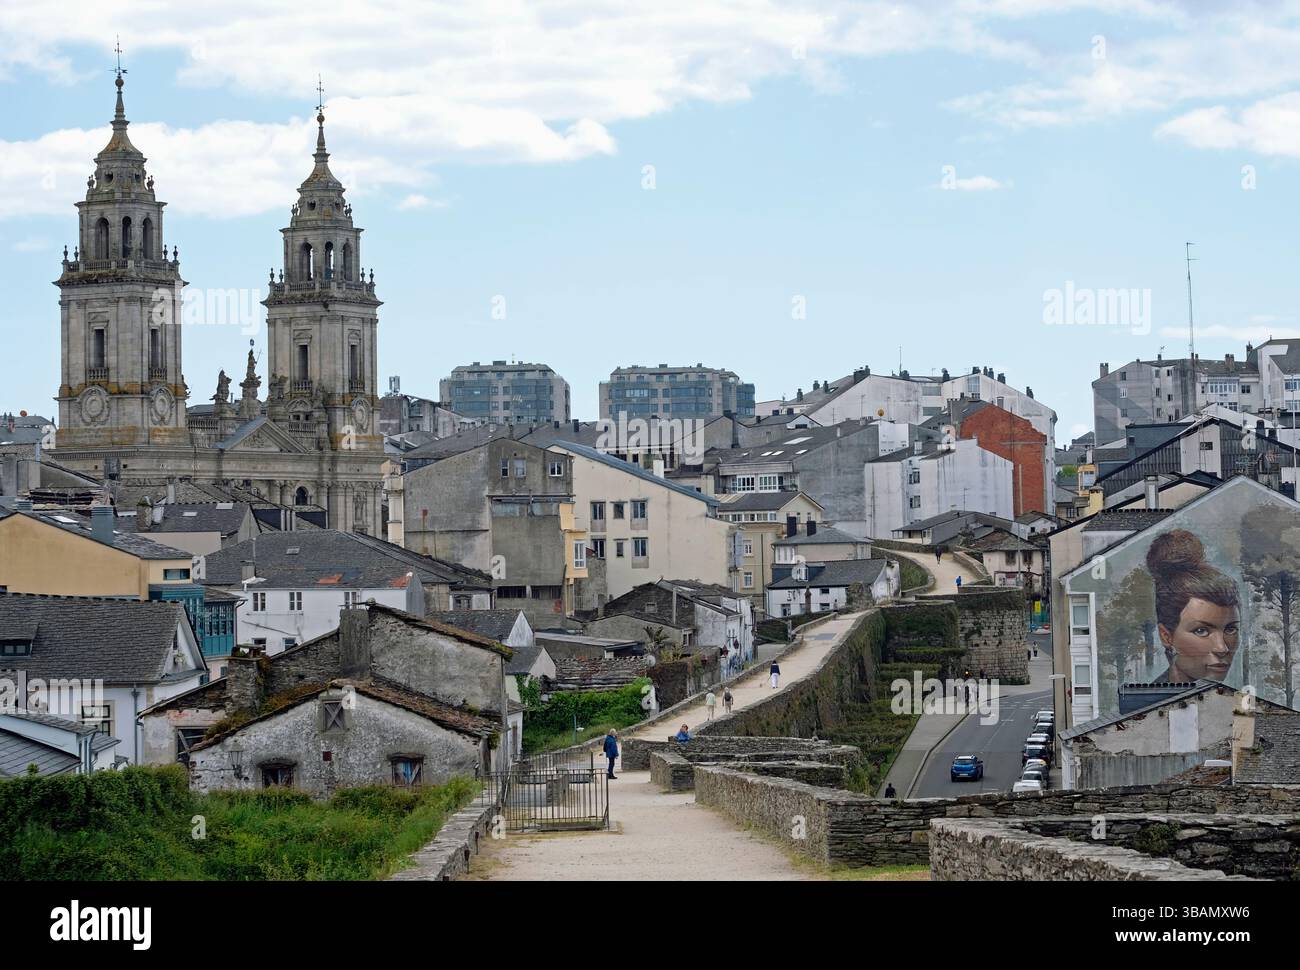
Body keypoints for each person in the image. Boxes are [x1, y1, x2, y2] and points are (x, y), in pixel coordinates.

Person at [1146, 529, 1240, 683]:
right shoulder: (1146, 705)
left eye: (1230, 629)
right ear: (1166, 636)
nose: (1222, 648)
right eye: (1201, 631)